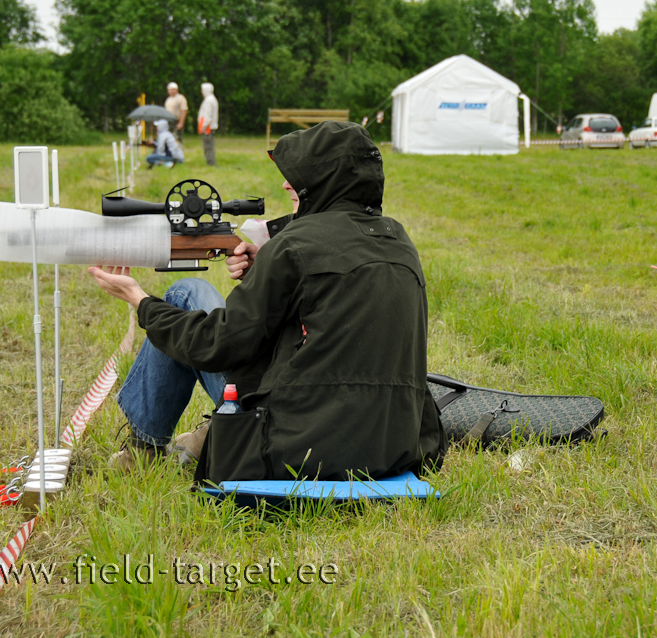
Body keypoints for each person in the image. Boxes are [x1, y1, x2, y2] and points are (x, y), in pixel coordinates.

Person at [90, 121, 447, 479]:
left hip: (300, 438)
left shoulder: (294, 244)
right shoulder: (398, 239)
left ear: (324, 180)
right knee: (191, 294)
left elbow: (217, 345)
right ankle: (200, 436)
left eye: (298, 174)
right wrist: (267, 271)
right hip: (393, 441)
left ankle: (145, 449)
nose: (286, 183)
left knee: (181, 295)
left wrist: (140, 301)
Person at [197, 82, 218, 166]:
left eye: (202, 90)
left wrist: (203, 127)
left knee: (208, 147)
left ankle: (211, 164)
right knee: (209, 146)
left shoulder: (209, 101)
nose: (201, 92)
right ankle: (210, 163)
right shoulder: (211, 99)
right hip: (208, 127)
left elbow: (208, 116)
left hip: (208, 128)